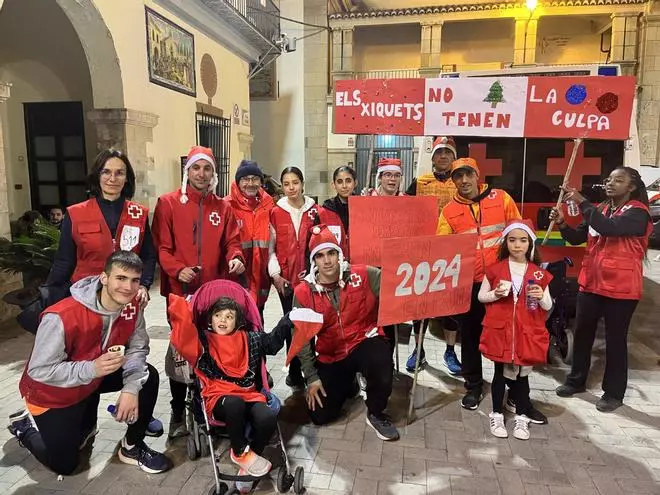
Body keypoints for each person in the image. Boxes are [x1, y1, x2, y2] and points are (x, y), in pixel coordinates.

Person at [8, 251, 172, 475]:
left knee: (147, 377)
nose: (128, 287)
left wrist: (131, 389)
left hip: (91, 378)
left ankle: (131, 448)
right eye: (121, 278)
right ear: (104, 278)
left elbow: (137, 348)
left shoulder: (132, 307)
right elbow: (39, 370)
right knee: (65, 465)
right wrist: (92, 368)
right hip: (52, 391)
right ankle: (25, 428)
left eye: (135, 280)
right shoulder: (61, 315)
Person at [152, 145, 245, 438]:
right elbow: (161, 247)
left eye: (207, 169)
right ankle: (178, 412)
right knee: (182, 351)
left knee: (214, 348)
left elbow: (232, 241)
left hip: (213, 293)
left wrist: (236, 258)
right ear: (187, 171)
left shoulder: (224, 207)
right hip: (180, 292)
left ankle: (210, 404)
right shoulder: (167, 203)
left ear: (214, 173)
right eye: (196, 168)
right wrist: (177, 268)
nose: (201, 174)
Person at [551, 166, 652, 412]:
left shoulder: (639, 213)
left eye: (619, 180)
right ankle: (576, 381)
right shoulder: (601, 209)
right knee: (583, 334)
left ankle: (614, 393)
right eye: (609, 179)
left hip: (621, 289)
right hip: (592, 283)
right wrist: (563, 223)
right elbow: (577, 238)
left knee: (615, 341)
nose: (610, 183)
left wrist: (581, 200)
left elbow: (610, 228)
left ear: (631, 187)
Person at [168, 294, 291, 488]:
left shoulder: (250, 338)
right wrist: (182, 305)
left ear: (238, 321)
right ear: (210, 319)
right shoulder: (202, 341)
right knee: (235, 402)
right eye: (218, 315)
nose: (223, 320)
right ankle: (240, 450)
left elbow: (273, 344)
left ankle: (249, 462)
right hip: (219, 398)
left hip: (249, 393)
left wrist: (288, 320)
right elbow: (181, 337)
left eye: (229, 316)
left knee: (267, 416)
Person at [437, 158, 529, 413]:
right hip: (470, 284)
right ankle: (473, 385)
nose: (463, 181)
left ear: (477, 175)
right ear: (453, 180)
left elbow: (518, 233)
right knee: (470, 338)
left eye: (468, 175)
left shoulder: (502, 198)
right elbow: (443, 249)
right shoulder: (448, 211)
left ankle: (508, 386)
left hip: (503, 281)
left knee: (505, 336)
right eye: (458, 177)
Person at [292, 224, 399, 441]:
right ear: (314, 261)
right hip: (332, 354)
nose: (327, 260)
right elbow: (302, 340)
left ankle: (376, 412)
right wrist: (312, 377)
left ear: (339, 254)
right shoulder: (303, 292)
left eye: (332, 253)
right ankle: (348, 383)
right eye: (320, 255)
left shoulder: (364, 274)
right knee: (320, 415)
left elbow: (397, 288)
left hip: (363, 341)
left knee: (380, 357)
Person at [47, 149, 156, 308]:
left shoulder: (138, 213)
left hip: (126, 295)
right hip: (85, 295)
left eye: (119, 173)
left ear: (127, 178)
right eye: (106, 172)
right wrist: (50, 293)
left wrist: (144, 285)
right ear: (97, 175)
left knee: (126, 333)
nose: (112, 178)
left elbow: (148, 256)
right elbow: (64, 260)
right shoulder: (76, 213)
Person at [478, 220, 553, 440]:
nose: (517, 245)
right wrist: (495, 295)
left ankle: (521, 417)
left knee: (523, 378)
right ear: (505, 243)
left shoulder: (538, 274)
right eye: (512, 240)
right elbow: (482, 296)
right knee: (500, 375)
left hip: (526, 335)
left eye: (522, 240)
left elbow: (548, 305)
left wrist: (541, 298)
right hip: (501, 334)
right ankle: (496, 414)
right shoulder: (495, 270)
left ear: (530, 243)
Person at [405, 137, 461, 375]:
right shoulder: (419, 182)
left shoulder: (462, 182)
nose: (443, 157)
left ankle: (450, 351)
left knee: (450, 307)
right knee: (420, 306)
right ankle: (418, 350)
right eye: (439, 152)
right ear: (433, 157)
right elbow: (401, 211)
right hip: (423, 255)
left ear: (454, 157)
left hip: (451, 255)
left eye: (448, 152)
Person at [268, 166, 317, 389]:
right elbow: (271, 248)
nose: (291, 188)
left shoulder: (314, 211)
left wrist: (314, 271)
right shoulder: (275, 212)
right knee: (292, 324)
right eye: (286, 184)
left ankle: (312, 369)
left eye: (295, 183)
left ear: (302, 183)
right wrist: (276, 275)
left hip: (310, 280)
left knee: (311, 323)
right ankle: (295, 373)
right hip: (286, 281)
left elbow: (319, 244)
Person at [225, 160, 275, 318]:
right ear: (238, 182)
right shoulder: (227, 206)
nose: (251, 183)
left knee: (258, 320)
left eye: (255, 179)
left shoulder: (269, 206)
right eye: (245, 179)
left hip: (261, 278)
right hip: (236, 277)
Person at [313, 166, 356, 260]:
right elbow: (317, 244)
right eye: (340, 182)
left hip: (359, 266)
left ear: (355, 183)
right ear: (334, 185)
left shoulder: (363, 209)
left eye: (348, 181)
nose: (344, 186)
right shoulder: (324, 211)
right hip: (333, 267)